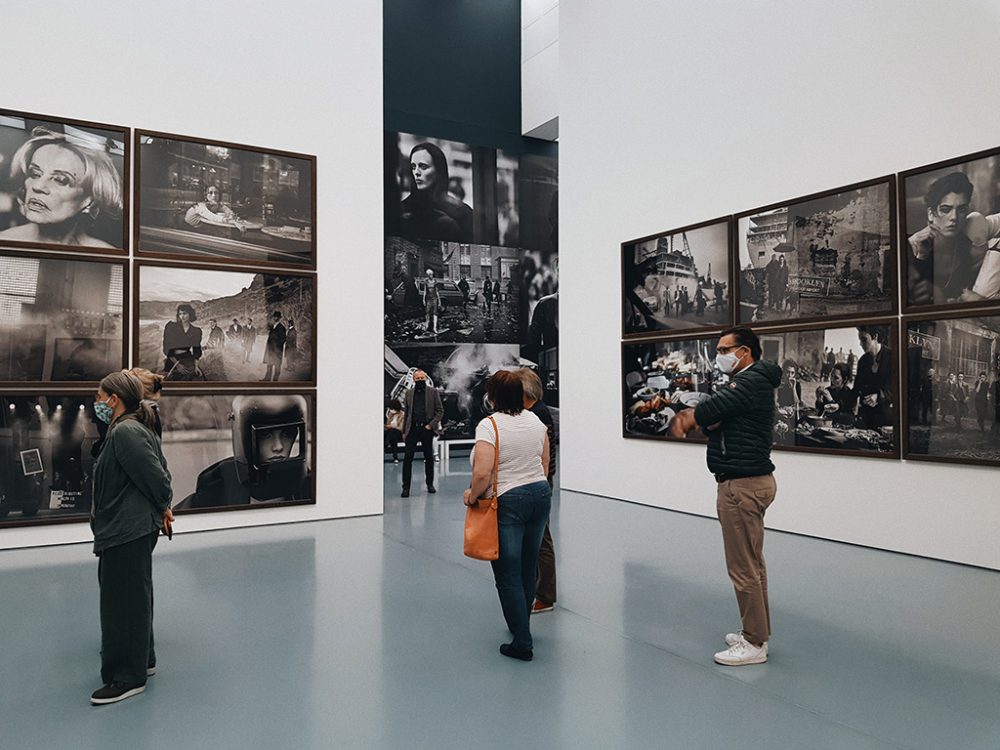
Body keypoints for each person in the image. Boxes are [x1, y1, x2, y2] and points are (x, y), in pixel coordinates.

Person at [670, 326, 781, 666]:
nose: (720, 356)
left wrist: (693, 417)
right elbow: (716, 417)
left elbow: (707, 413)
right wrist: (708, 417)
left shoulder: (749, 382)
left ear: (744, 352)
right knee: (753, 563)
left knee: (743, 567)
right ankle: (756, 630)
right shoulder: (754, 381)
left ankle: (753, 642)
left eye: (723, 349)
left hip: (742, 486)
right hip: (748, 481)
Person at [89, 371, 172, 705]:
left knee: (121, 602)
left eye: (99, 396)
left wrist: (163, 504)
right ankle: (144, 660)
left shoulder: (126, 432)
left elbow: (158, 478)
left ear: (114, 399)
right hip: (129, 526)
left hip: (128, 528)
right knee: (136, 596)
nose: (96, 402)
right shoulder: (130, 428)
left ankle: (127, 676)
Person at [464, 370, 551, 661]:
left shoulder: (490, 426)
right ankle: (521, 625)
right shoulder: (536, 421)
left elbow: (482, 472)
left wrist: (472, 496)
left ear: (493, 398)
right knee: (527, 567)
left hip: (509, 501)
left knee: (507, 573)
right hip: (540, 494)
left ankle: (522, 642)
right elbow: (545, 461)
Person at [176, 395, 311, 508]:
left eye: (286, 435)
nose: (278, 446)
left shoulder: (308, 485)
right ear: (246, 438)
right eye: (265, 436)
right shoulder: (219, 482)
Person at [0, 127, 123, 248]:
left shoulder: (105, 256)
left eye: (60, 180)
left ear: (89, 200)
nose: (37, 186)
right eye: (35, 174)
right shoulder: (5, 241)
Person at [908, 172, 1000, 305]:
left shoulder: (974, 225)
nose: (954, 218)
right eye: (946, 209)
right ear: (931, 214)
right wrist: (922, 257)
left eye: (961, 209)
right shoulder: (914, 247)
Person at [519, 368, 558, 615]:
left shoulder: (538, 416)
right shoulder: (536, 412)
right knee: (535, 537)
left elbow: (543, 458)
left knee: (541, 539)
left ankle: (545, 595)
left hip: (539, 483)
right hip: (538, 482)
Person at [399, 142, 473, 242]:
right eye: (413, 167)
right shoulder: (402, 208)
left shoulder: (462, 213)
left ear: (438, 170)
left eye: (423, 167)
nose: (416, 172)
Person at [401, 370, 444, 497]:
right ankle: (406, 487)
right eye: (417, 378)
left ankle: (430, 484)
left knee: (428, 458)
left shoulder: (433, 392)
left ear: (425, 378)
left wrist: (431, 425)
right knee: (407, 459)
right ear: (413, 380)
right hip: (412, 429)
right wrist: (404, 431)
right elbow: (407, 414)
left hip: (427, 429)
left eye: (422, 377)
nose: (420, 380)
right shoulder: (409, 394)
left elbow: (440, 410)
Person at [853, 326, 893, 429]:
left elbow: (900, 388)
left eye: (864, 340)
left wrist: (879, 395)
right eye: (860, 340)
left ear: (875, 336)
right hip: (866, 418)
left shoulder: (893, 357)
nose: (861, 344)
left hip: (886, 419)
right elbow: (856, 390)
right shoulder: (862, 361)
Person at [161, 304, 203, 380]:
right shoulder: (171, 327)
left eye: (185, 313)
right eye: (180, 314)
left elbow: (196, 350)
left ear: (190, 314)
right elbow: (167, 348)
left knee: (198, 379)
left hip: (188, 360)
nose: (182, 316)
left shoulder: (196, 331)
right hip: (172, 360)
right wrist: (178, 366)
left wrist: (196, 367)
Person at [262, 311, 287, 382]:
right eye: (274, 316)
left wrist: (276, 347)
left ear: (279, 318)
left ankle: (275, 381)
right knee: (269, 365)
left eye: (276, 317)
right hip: (270, 350)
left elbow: (283, 339)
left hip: (277, 351)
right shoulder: (272, 327)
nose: (275, 318)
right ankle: (267, 379)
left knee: (277, 366)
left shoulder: (282, 328)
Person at [385, 399, 405, 463]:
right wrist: (390, 426)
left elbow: (401, 428)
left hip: (399, 432)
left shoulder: (402, 415)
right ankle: (395, 457)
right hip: (391, 432)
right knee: (392, 435)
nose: (391, 410)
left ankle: (386, 444)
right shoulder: (391, 415)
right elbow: (387, 425)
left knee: (393, 432)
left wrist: (393, 426)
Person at [423, 269, 441, 334]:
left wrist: (439, 300)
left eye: (432, 274)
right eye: (429, 274)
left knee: (435, 313)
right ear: (428, 275)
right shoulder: (426, 281)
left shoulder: (435, 282)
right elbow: (425, 291)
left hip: (434, 298)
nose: (431, 276)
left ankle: (434, 327)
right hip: (428, 299)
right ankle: (427, 325)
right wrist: (423, 299)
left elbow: (437, 291)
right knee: (427, 312)